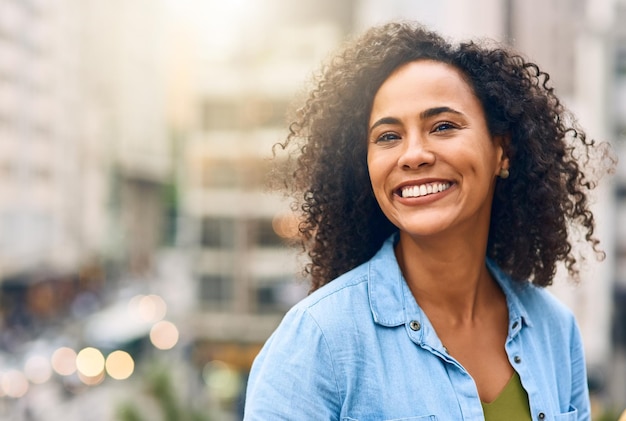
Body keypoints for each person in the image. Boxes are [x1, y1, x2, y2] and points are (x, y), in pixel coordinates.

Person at [244, 21, 614, 420]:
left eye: (443, 126)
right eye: (388, 136)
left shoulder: (554, 330)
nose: (413, 154)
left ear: (501, 152)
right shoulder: (319, 339)